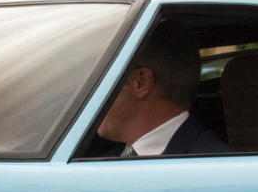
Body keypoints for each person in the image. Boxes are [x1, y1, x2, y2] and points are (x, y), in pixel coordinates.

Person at [96, 37, 234, 158]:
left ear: (141, 82)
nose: (94, 92)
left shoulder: (210, 170)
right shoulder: (110, 155)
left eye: (102, 78)